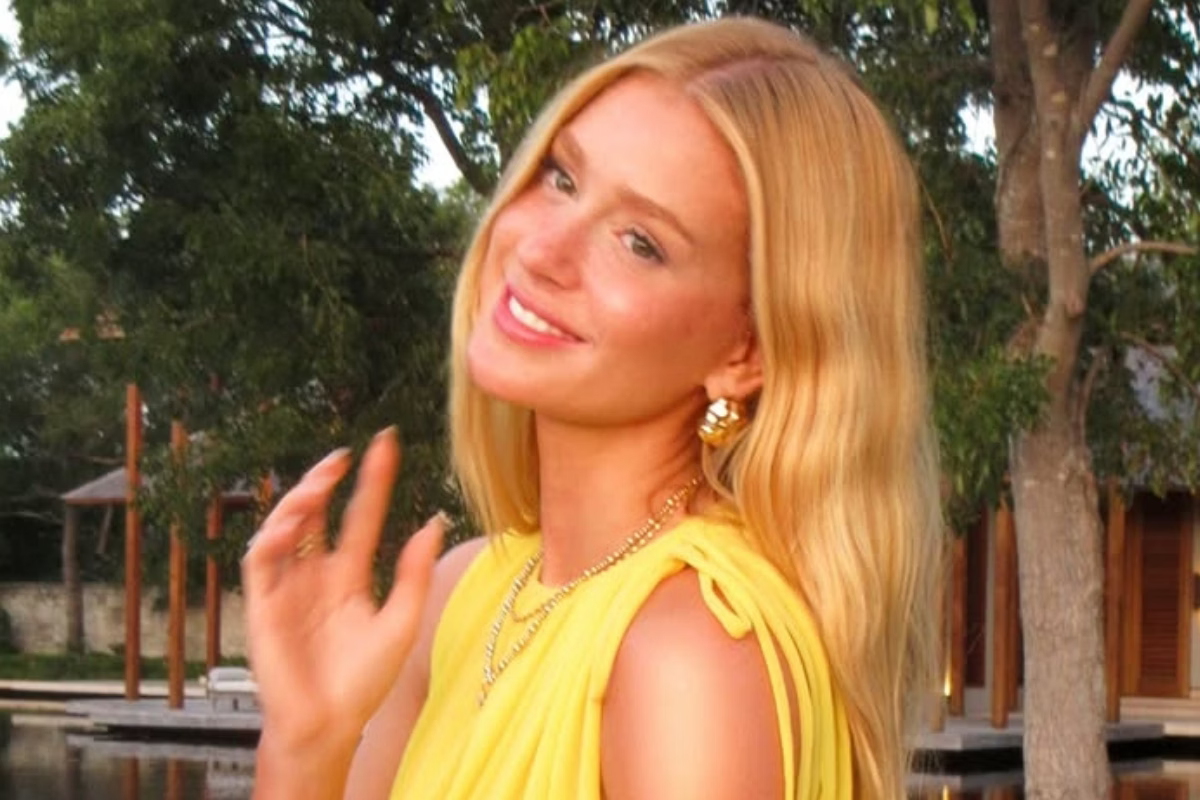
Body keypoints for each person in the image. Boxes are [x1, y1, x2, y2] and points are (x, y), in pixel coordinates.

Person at [242, 15, 942, 800]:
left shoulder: (689, 657)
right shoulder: (465, 592)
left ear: (745, 353)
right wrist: (305, 746)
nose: (540, 250)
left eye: (640, 241)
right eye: (562, 178)